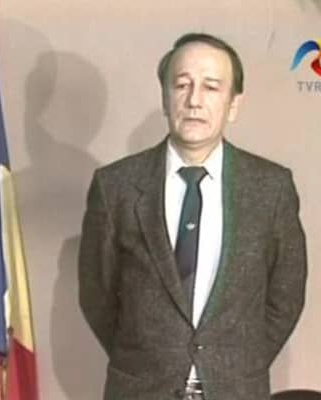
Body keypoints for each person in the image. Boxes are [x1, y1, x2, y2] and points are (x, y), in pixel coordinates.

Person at [78, 32, 307, 400]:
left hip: (236, 390)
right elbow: (97, 297)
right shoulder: (115, 186)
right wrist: (149, 357)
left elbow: (286, 297)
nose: (194, 100)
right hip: (140, 390)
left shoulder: (271, 188)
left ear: (234, 104)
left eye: (211, 87)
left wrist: (233, 363)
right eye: (182, 85)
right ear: (165, 98)